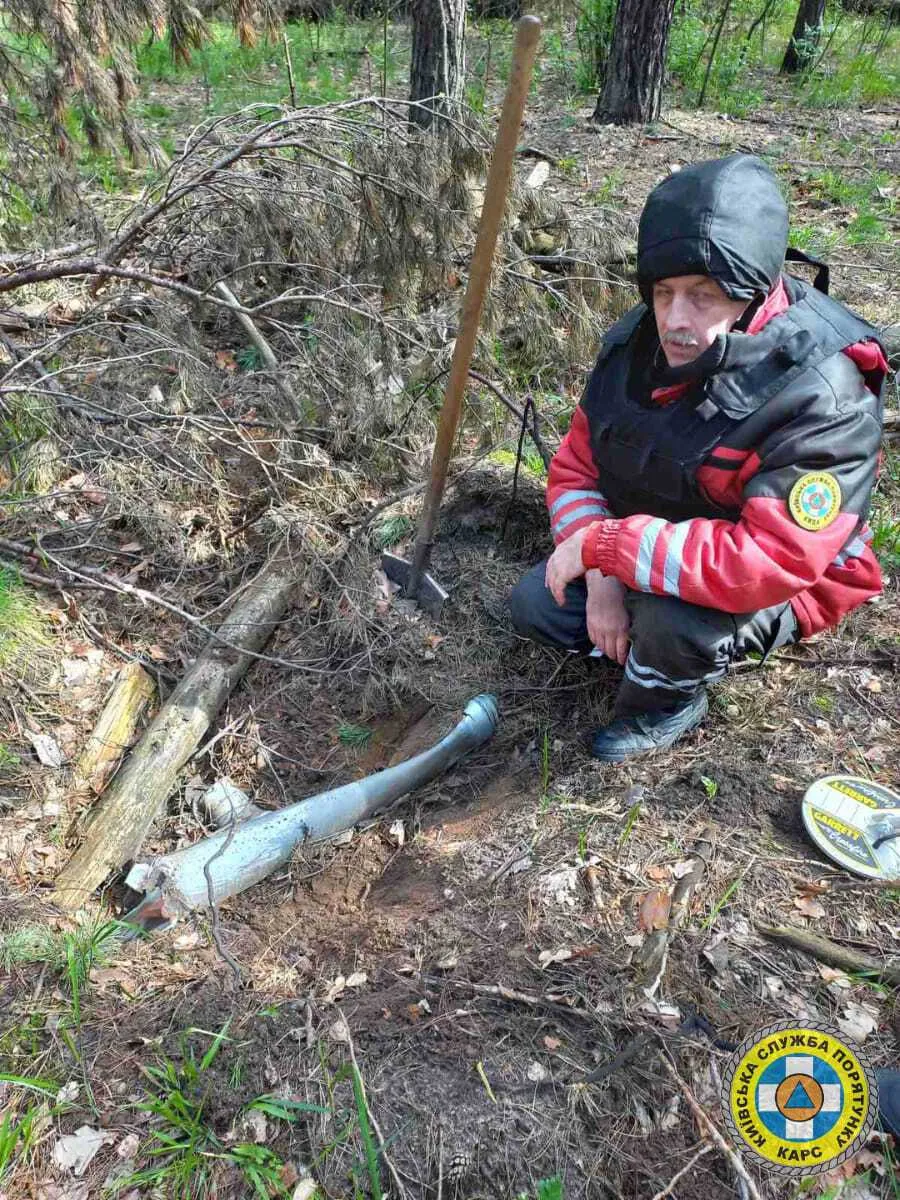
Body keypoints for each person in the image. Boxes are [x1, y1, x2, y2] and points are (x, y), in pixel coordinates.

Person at [509, 154, 888, 762]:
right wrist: (604, 576)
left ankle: (668, 702)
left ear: (752, 292)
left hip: (791, 576)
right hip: (671, 533)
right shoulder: (633, 344)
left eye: (704, 297)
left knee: (674, 625)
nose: (675, 322)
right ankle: (649, 637)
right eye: (664, 293)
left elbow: (770, 559)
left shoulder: (824, 398)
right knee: (537, 606)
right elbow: (577, 469)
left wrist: (608, 547)